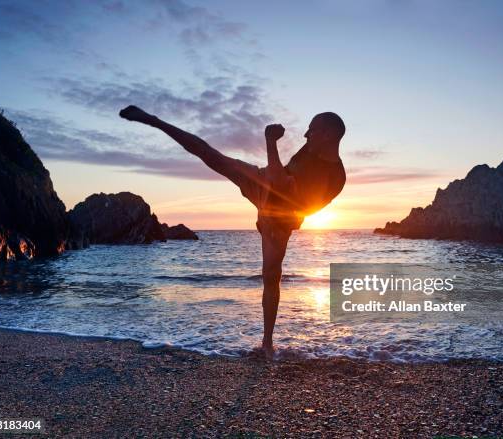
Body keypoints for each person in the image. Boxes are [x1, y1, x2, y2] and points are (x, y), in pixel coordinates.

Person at [119, 105, 346, 358]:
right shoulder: (313, 148)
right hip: (265, 182)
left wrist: (270, 142)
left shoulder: (334, 177)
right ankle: (154, 120)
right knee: (210, 155)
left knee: (271, 276)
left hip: (280, 219)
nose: (305, 135)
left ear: (327, 135)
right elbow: (279, 176)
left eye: (311, 131)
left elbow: (285, 189)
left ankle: (267, 344)